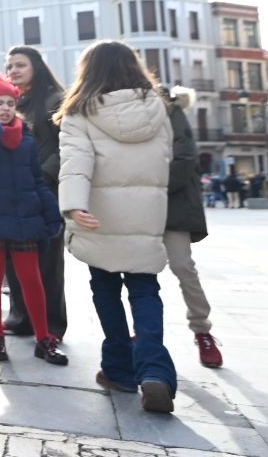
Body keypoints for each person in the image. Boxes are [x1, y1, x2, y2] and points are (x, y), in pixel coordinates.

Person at [57, 41, 175, 413]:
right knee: (145, 290)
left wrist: (73, 206)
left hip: (100, 216)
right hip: (147, 215)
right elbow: (167, 159)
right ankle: (154, 371)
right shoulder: (157, 108)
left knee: (105, 288)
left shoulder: (80, 112)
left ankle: (119, 368)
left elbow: (75, 164)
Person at [0, 71, 65, 365]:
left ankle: (44, 339)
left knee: (32, 279)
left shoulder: (26, 137)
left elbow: (36, 179)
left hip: (23, 220)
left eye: (9, 103)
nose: (5, 108)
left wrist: (51, 213)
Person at [1, 46, 68, 338]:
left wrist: (43, 175)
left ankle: (51, 325)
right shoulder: (9, 101)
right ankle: (21, 318)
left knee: (48, 262)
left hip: (45, 193)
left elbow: (67, 146)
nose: (13, 70)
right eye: (10, 66)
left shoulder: (55, 100)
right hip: (13, 193)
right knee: (15, 257)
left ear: (36, 67)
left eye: (20, 65)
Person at [159, 85, 222, 368]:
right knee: (138, 272)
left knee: (182, 265)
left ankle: (202, 330)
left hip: (171, 203)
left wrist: (155, 187)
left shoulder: (170, 109)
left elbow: (185, 157)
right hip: (137, 205)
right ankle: (144, 333)